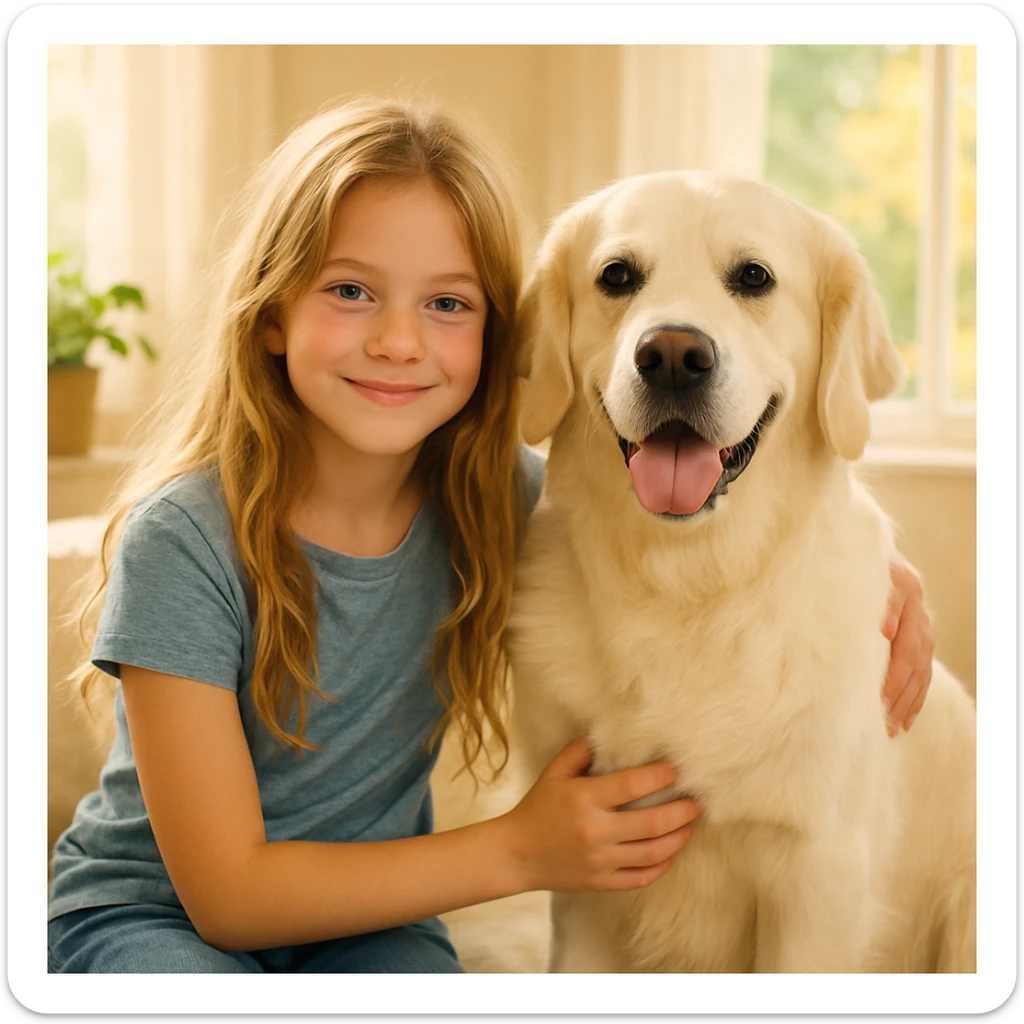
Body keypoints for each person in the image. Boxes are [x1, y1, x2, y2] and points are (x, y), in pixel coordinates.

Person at [47, 98, 935, 974]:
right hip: (154, 916)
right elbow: (227, 897)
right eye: (351, 291)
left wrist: (878, 574)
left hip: (371, 925)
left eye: (447, 303)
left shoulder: (488, 502)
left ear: (498, 335)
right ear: (272, 312)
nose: (399, 341)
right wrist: (520, 849)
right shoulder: (182, 544)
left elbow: (645, 534)